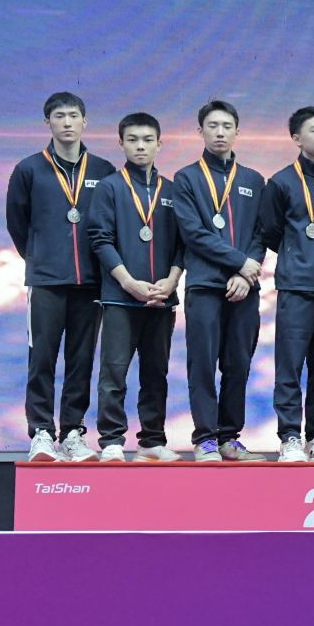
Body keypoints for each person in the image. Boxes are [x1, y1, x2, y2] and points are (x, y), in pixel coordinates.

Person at [6, 90, 116, 461]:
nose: (67, 123)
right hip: (46, 282)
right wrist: (41, 258)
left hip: (91, 283)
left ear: (85, 121)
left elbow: (111, 224)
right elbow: (17, 223)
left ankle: (72, 432)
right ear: (47, 123)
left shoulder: (103, 171)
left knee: (81, 360)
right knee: (42, 359)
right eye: (59, 116)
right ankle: (41, 432)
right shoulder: (28, 169)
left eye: (73, 116)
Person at [171, 99, 266, 462]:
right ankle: (205, 438)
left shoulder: (253, 180)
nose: (220, 132)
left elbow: (261, 232)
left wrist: (246, 272)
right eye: (213, 126)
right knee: (203, 362)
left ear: (237, 131)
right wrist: (240, 263)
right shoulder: (186, 178)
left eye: (227, 126)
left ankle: (229, 437)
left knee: (238, 363)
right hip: (205, 286)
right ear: (201, 131)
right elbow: (194, 233)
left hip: (245, 288)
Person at [88, 112, 182, 462]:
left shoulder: (171, 190)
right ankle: (112, 440)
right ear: (121, 144)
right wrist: (127, 282)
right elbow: (100, 239)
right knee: (114, 373)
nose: (140, 146)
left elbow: (183, 242)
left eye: (147, 140)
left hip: (161, 298)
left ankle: (152, 440)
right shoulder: (110, 187)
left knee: (156, 373)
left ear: (159, 144)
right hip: (120, 299)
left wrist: (172, 280)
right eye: (132, 140)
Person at [258, 106, 314, 462]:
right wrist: (298, 256)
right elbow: (270, 231)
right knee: (290, 367)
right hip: (296, 289)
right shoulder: (281, 182)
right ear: (296, 138)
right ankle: (290, 437)